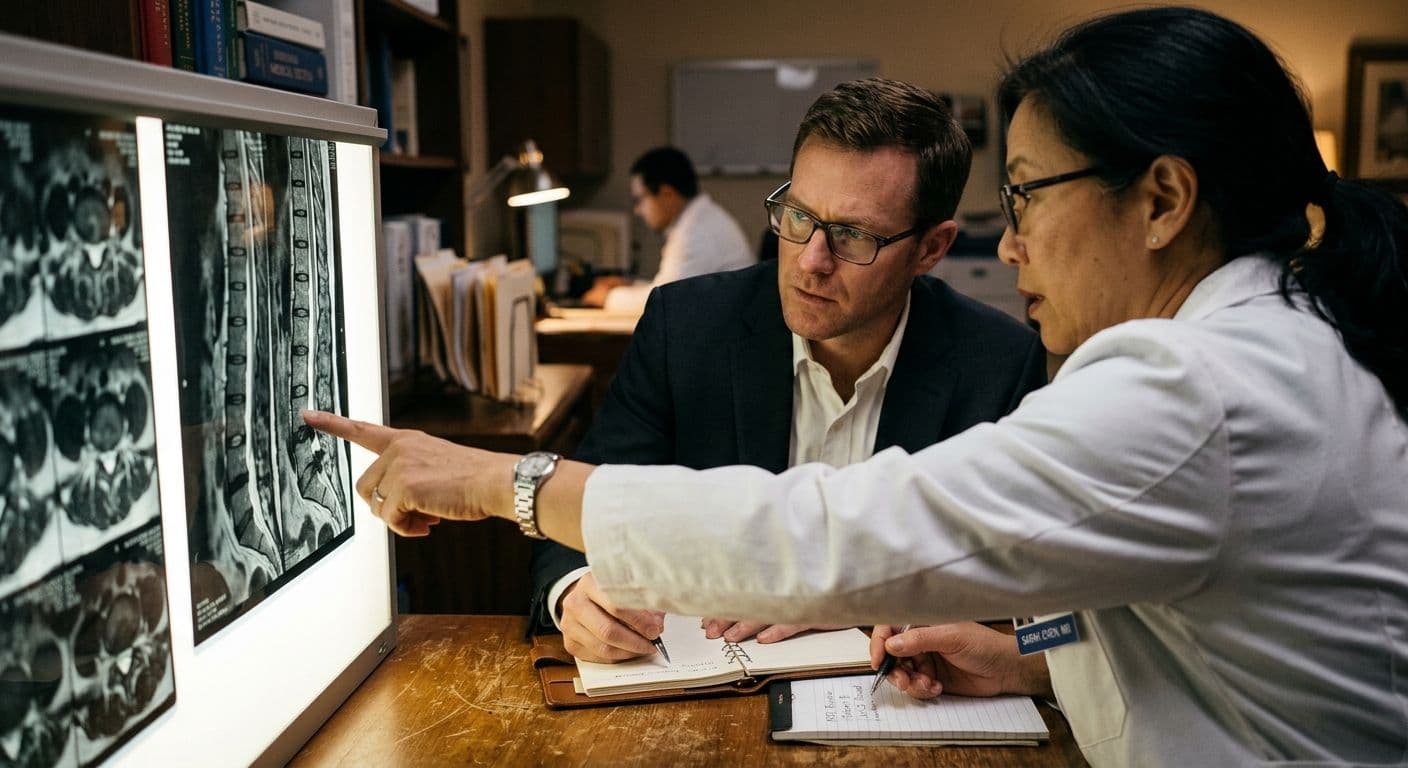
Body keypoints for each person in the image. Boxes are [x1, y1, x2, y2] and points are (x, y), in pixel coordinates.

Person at [306, 6, 1408, 766]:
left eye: (1025, 197)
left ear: (1162, 199)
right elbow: (1188, 621)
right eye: (798, 219)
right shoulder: (1279, 339)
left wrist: (507, 482)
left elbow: (851, 531)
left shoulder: (1189, 382)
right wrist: (1030, 660)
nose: (1012, 247)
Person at [530, 78, 1047, 663]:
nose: (810, 260)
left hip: (897, 704)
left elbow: (1040, 609)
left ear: (931, 248)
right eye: (798, 216)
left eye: (852, 235)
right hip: (698, 689)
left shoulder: (999, 364)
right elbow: (586, 501)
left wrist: (853, 598)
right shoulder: (689, 327)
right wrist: (576, 592)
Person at [580, 147, 753, 310]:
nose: (637, 211)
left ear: (667, 194)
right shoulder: (697, 221)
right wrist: (630, 286)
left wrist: (609, 298)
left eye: (639, 200)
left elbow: (668, 302)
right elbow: (669, 287)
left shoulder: (697, 234)